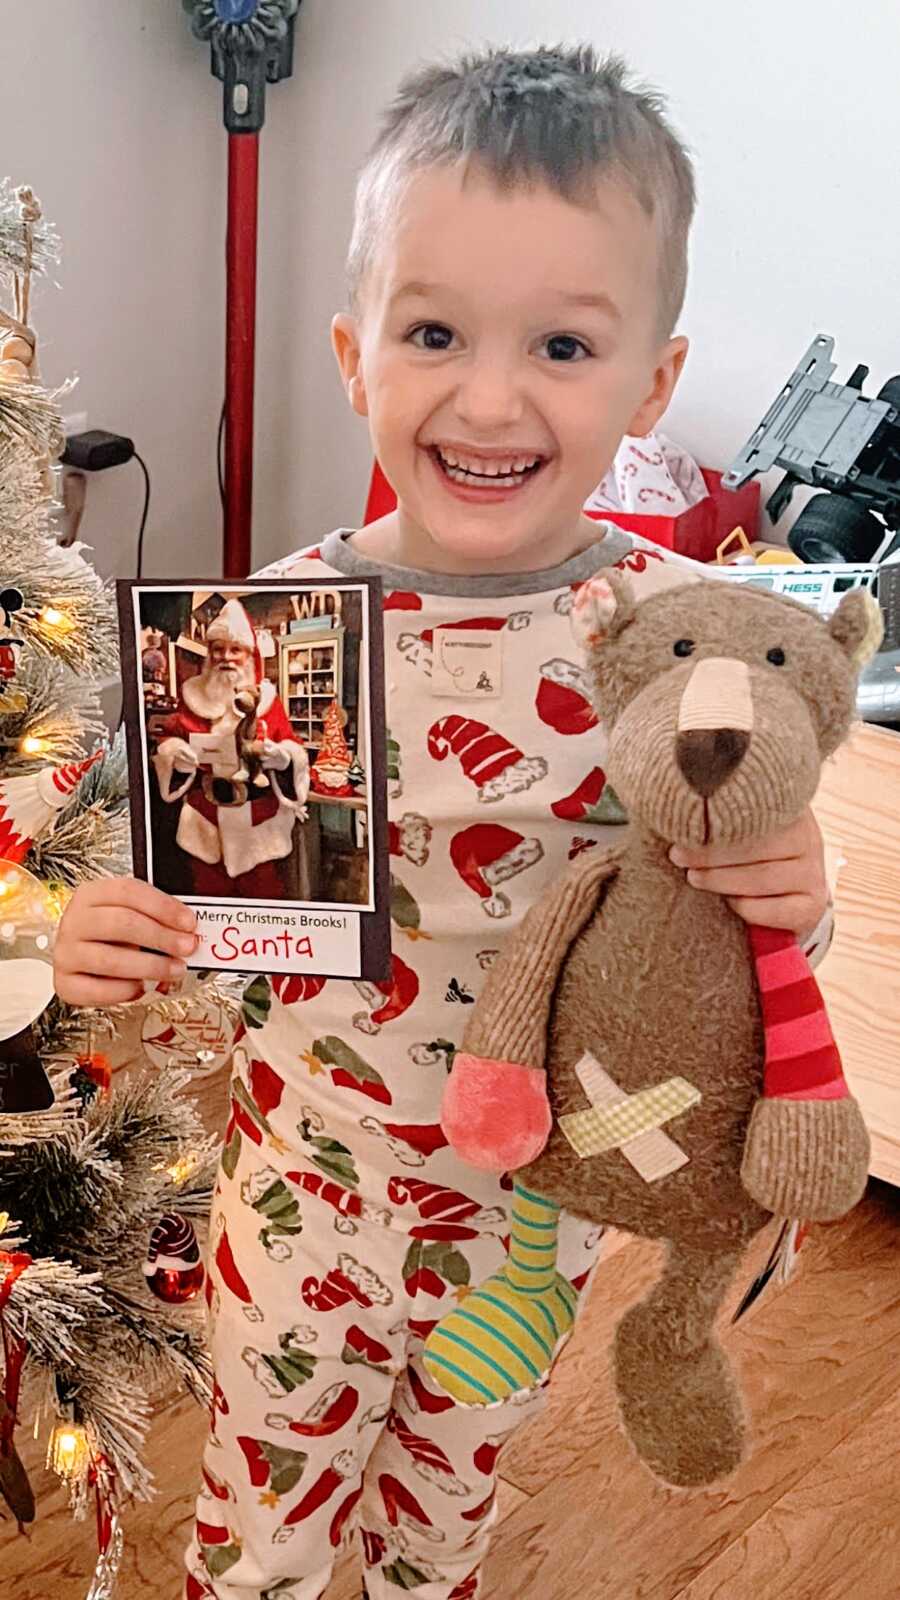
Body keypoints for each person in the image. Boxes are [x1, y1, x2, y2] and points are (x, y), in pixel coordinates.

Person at [54, 46, 832, 1600]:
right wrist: (105, 931)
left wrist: (787, 892)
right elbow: (173, 889)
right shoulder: (266, 632)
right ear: (354, 356)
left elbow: (752, 948)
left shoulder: (689, 647)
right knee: (259, 1544)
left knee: (442, 1524)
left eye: (561, 342)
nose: (489, 395)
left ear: (652, 383)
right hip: (301, 1199)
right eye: (432, 332)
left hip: (538, 1224)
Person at [152, 597, 310, 899]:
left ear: (248, 655)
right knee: (207, 898)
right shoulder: (193, 697)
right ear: (209, 654)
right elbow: (169, 739)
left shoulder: (268, 702)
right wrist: (176, 756)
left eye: (235, 649)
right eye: (218, 649)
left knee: (264, 901)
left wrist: (283, 758)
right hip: (206, 819)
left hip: (257, 823)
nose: (226, 657)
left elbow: (293, 746)